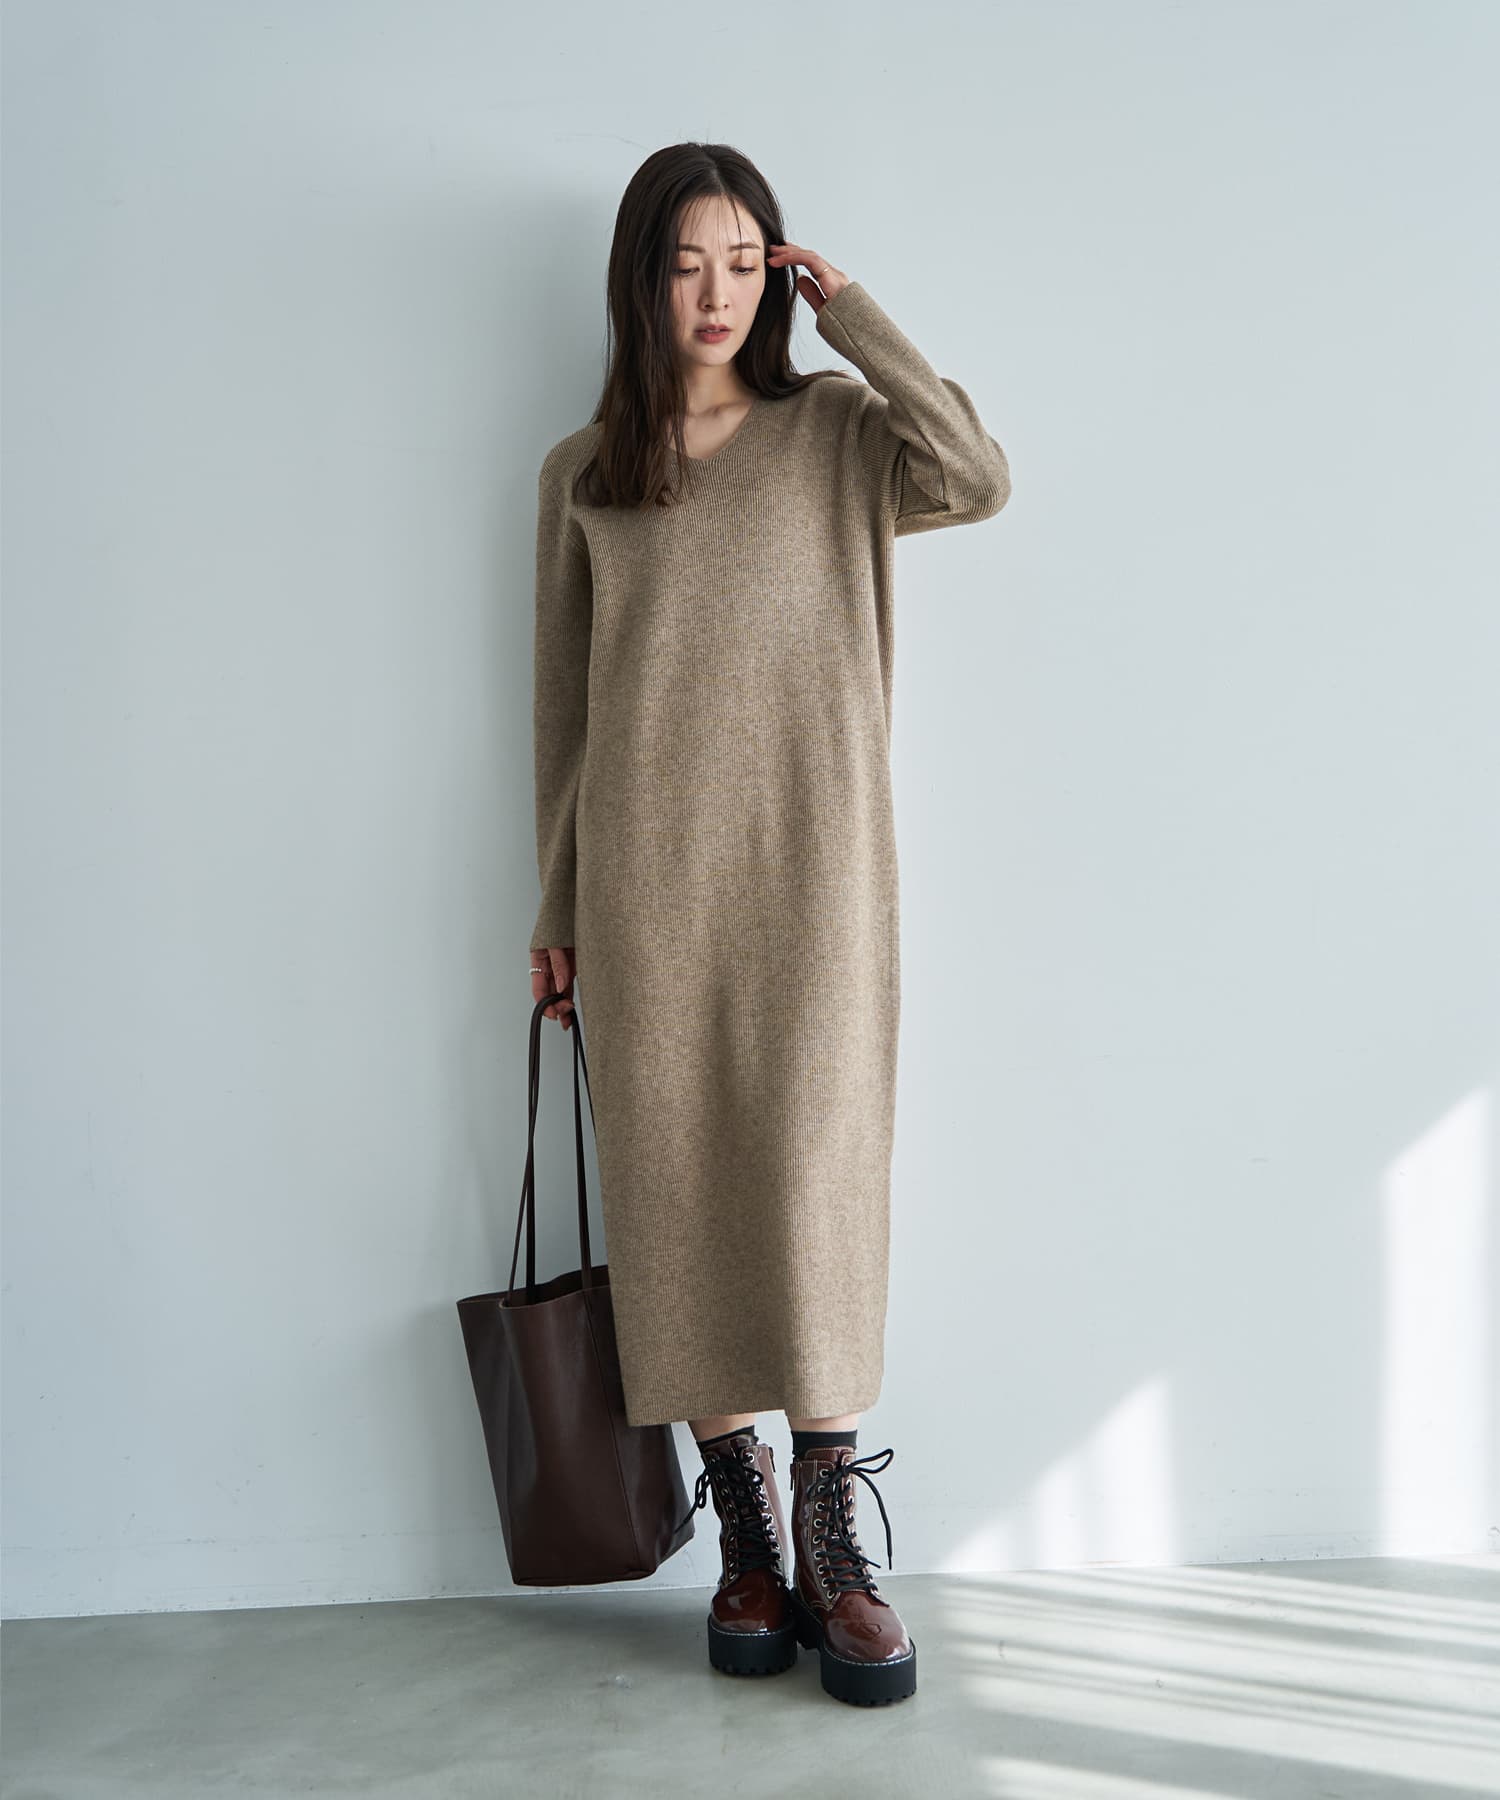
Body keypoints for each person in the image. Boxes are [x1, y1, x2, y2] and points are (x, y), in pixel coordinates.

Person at [526, 143, 1010, 1706]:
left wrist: (857, 316)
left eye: (746, 260)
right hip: (644, 890)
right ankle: (743, 1537)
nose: (718, 292)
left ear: (780, 273)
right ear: (640, 281)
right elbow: (563, 718)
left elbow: (978, 474)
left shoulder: (842, 434)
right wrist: (558, 907)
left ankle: (832, 1548)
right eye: (687, 263)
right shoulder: (585, 472)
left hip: (816, 876)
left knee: (811, 1187)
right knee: (675, 1192)